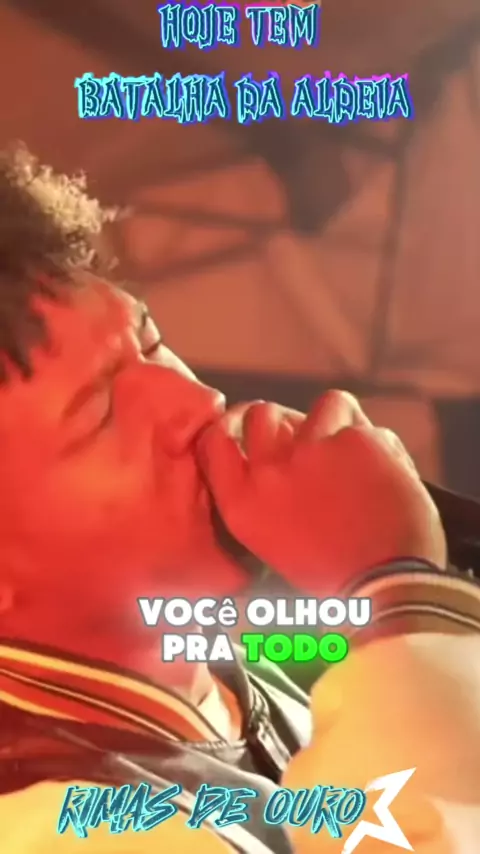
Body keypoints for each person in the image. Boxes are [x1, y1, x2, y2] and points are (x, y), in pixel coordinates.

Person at [0, 144, 478, 854]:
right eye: (103, 413)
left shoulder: (236, 669)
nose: (197, 400)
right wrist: (399, 590)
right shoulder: (46, 823)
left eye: (151, 345)